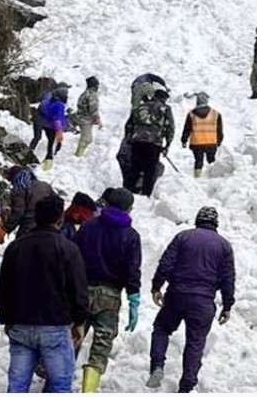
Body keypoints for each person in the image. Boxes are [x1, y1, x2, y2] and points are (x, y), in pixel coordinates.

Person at [0, 195, 90, 393]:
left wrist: (5, 318)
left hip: (20, 323)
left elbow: (4, 287)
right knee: (59, 384)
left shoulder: (16, 247)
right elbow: (78, 289)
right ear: (60, 219)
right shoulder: (68, 249)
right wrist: (80, 321)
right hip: (54, 325)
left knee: (17, 385)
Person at [147, 207, 235, 393]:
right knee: (195, 342)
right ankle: (186, 387)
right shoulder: (224, 246)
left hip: (176, 296)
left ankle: (157, 366)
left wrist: (157, 287)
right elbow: (228, 278)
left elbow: (166, 263)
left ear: (197, 220)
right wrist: (227, 306)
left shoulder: (183, 237)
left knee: (162, 329)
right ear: (215, 224)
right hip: (203, 302)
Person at [74, 188, 142, 393]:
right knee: (101, 346)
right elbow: (132, 269)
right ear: (129, 209)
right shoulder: (131, 236)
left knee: (73, 337)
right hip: (110, 296)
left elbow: (73, 256)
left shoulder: (88, 226)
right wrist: (133, 298)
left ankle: (56, 381)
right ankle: (88, 389)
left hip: (82, 292)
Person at [125, 84, 175, 196]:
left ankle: (128, 191)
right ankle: (146, 194)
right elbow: (170, 127)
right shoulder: (165, 108)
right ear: (164, 99)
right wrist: (168, 143)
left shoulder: (140, 107)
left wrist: (129, 138)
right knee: (150, 170)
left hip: (137, 141)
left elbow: (129, 124)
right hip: (154, 142)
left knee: (135, 168)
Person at [181, 92, 224, 179]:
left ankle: (197, 177)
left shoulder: (191, 114)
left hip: (196, 143)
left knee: (198, 161)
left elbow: (187, 129)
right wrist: (219, 141)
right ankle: (213, 178)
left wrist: (184, 139)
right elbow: (219, 130)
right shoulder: (216, 114)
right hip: (211, 142)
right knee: (211, 161)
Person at [5, 165, 56, 237]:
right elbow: (57, 204)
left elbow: (18, 212)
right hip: (47, 227)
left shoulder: (19, 188)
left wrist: (7, 228)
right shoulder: (45, 185)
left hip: (28, 226)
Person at [31, 85, 70, 171]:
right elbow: (56, 119)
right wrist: (59, 130)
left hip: (39, 119)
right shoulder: (59, 105)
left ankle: (29, 151)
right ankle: (48, 162)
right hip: (49, 124)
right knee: (52, 142)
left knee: (37, 137)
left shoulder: (48, 95)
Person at [74, 77, 102, 158]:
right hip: (85, 120)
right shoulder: (91, 95)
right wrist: (98, 120)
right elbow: (93, 109)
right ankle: (78, 156)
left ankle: (79, 155)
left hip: (81, 117)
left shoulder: (85, 93)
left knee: (87, 138)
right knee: (86, 139)